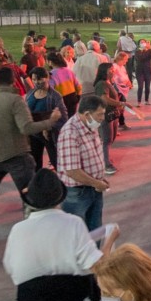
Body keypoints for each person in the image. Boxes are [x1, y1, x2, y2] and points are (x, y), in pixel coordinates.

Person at [3, 168, 117, 301]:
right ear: (60, 198)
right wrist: (110, 238)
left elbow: (12, 269)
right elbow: (99, 266)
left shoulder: (17, 230)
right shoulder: (73, 223)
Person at [0, 67, 63, 253]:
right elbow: (26, 128)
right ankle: (34, 240)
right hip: (17, 156)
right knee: (30, 198)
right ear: (12, 81)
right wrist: (51, 120)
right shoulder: (16, 100)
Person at [57, 96, 108, 231]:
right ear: (87, 114)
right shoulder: (70, 133)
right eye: (100, 114)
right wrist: (96, 183)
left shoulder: (90, 125)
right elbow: (72, 171)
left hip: (94, 187)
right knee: (77, 232)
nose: (102, 118)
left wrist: (99, 179)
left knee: (95, 229)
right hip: (78, 193)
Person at [26, 67, 69, 171]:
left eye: (39, 79)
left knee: (56, 161)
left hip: (49, 135)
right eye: (34, 79)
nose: (36, 82)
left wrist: (48, 127)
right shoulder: (30, 94)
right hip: (33, 134)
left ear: (47, 78)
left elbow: (63, 117)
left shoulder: (55, 96)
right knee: (34, 163)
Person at [93, 63, 125, 175]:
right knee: (106, 139)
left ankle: (104, 158)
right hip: (105, 115)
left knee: (111, 138)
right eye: (111, 69)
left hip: (112, 114)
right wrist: (119, 103)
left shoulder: (108, 82)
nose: (113, 71)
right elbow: (104, 99)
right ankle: (106, 164)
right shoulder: (101, 84)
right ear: (104, 71)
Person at [47, 52, 82, 116]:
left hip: (61, 100)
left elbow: (51, 91)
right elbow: (78, 86)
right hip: (72, 98)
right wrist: (78, 96)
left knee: (63, 119)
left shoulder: (51, 75)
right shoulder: (69, 71)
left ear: (50, 62)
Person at [134, 39, 151, 106]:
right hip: (140, 71)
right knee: (140, 86)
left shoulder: (149, 51)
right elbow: (141, 58)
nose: (143, 43)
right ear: (139, 44)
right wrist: (146, 50)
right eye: (141, 42)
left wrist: (149, 49)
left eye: (144, 42)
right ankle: (139, 101)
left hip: (148, 71)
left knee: (147, 87)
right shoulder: (137, 51)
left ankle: (146, 100)